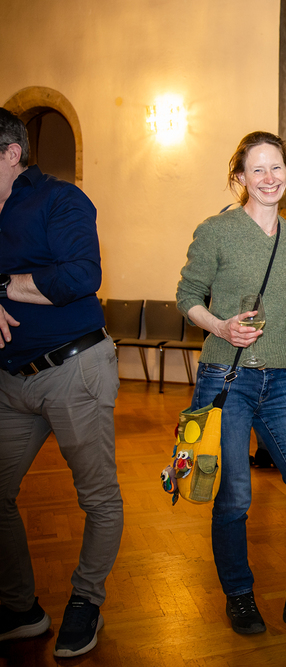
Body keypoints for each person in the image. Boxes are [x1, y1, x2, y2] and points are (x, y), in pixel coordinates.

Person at [176, 131, 286, 637]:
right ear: (240, 177)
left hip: (285, 378)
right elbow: (187, 296)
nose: (269, 178)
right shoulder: (216, 230)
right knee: (234, 498)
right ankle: (240, 595)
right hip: (226, 376)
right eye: (258, 169)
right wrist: (221, 326)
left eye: (277, 168)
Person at [0, 108, 122, 658]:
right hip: (9, 380)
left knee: (97, 497)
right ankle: (20, 608)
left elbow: (80, 276)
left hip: (74, 370)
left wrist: (3, 285)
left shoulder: (58, 199)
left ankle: (86, 599)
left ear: (11, 153)